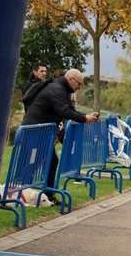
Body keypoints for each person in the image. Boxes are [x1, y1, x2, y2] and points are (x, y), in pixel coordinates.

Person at [21, 69, 100, 201]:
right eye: (79, 84)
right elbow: (63, 111)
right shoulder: (56, 89)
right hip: (34, 130)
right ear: (70, 80)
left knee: (51, 160)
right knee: (33, 161)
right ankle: (23, 193)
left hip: (42, 131)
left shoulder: (62, 90)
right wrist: (85, 119)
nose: (80, 87)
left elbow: (70, 110)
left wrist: (86, 116)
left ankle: (47, 194)